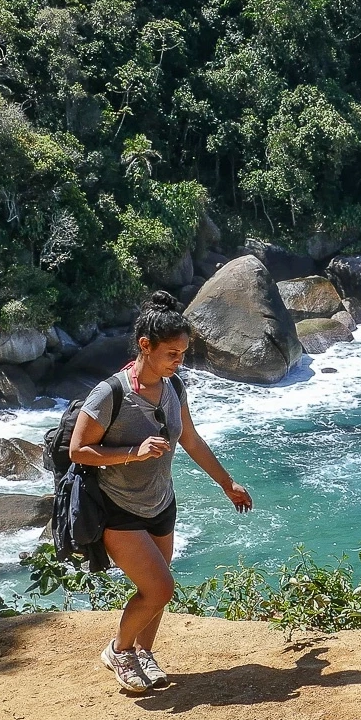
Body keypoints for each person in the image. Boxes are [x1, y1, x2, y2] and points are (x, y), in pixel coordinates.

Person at [69, 291, 253, 694]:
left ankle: (143, 653)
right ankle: (119, 651)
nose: (179, 361)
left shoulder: (173, 387)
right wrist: (132, 453)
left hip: (160, 503)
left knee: (155, 590)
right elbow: (79, 450)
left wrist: (227, 483)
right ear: (145, 347)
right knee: (160, 588)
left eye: (183, 353)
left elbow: (189, 436)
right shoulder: (110, 394)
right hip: (118, 507)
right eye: (172, 353)